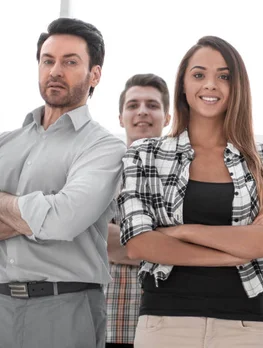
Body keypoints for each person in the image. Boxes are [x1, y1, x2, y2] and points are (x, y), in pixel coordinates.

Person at [117, 36, 263, 348]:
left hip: (244, 327)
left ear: (237, 86)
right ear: (183, 86)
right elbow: (139, 244)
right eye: (199, 75)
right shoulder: (146, 154)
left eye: (223, 76)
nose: (210, 85)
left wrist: (181, 231)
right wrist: (237, 249)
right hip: (164, 324)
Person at [0, 18, 126, 348]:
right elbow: (51, 216)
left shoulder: (104, 147)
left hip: (65, 308)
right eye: (48, 60)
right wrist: (36, 214)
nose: (56, 70)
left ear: (94, 74)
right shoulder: (4, 143)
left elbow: (63, 220)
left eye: (70, 61)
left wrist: (21, 211)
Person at [106, 73, 171, 348]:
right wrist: (160, 241)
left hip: (171, 324)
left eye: (152, 105)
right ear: (121, 117)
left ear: (167, 117)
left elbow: (192, 246)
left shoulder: (184, 175)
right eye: (133, 105)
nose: (142, 111)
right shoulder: (101, 174)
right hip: (112, 322)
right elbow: (94, 239)